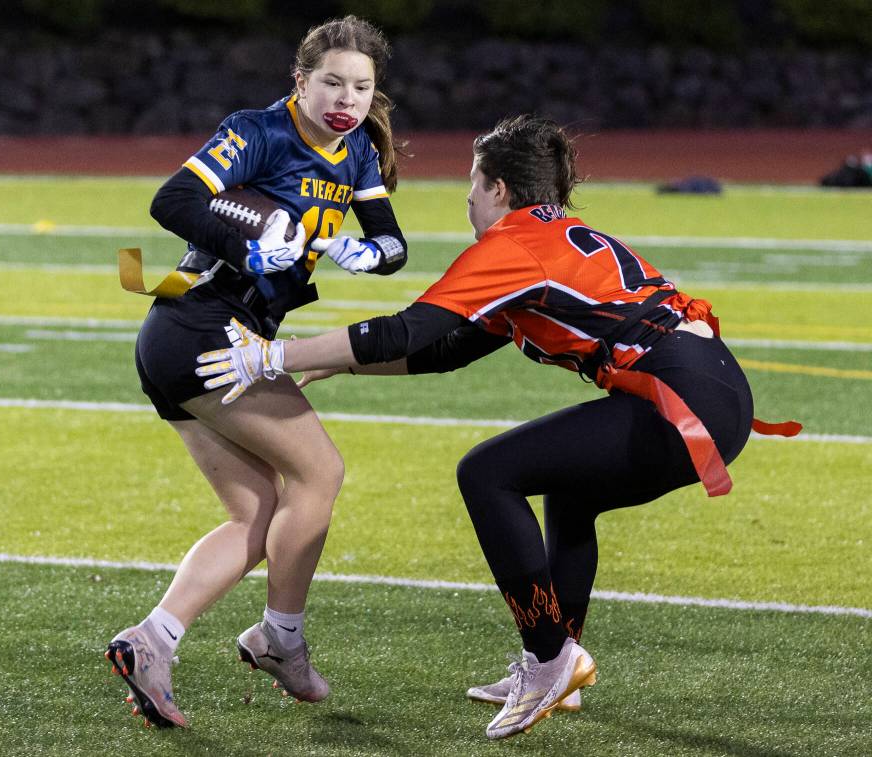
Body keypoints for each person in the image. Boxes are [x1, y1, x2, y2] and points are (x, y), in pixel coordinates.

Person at [195, 115, 799, 740]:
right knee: (570, 491)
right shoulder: (552, 238)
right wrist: (337, 364)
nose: (470, 202)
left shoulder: (513, 245)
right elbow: (447, 349)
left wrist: (276, 355)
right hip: (711, 391)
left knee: (486, 473)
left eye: (474, 187)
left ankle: (550, 659)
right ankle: (555, 663)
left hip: (681, 399)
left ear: (502, 190)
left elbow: (408, 330)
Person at [104, 15, 409, 729]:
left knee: (258, 511)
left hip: (195, 341)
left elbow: (391, 240)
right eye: (331, 80)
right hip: (204, 326)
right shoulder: (257, 130)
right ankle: (281, 638)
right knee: (320, 474)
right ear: (299, 81)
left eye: (361, 85)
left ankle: (152, 640)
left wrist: (370, 257)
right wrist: (248, 245)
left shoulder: (358, 149)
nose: (347, 97)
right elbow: (172, 201)